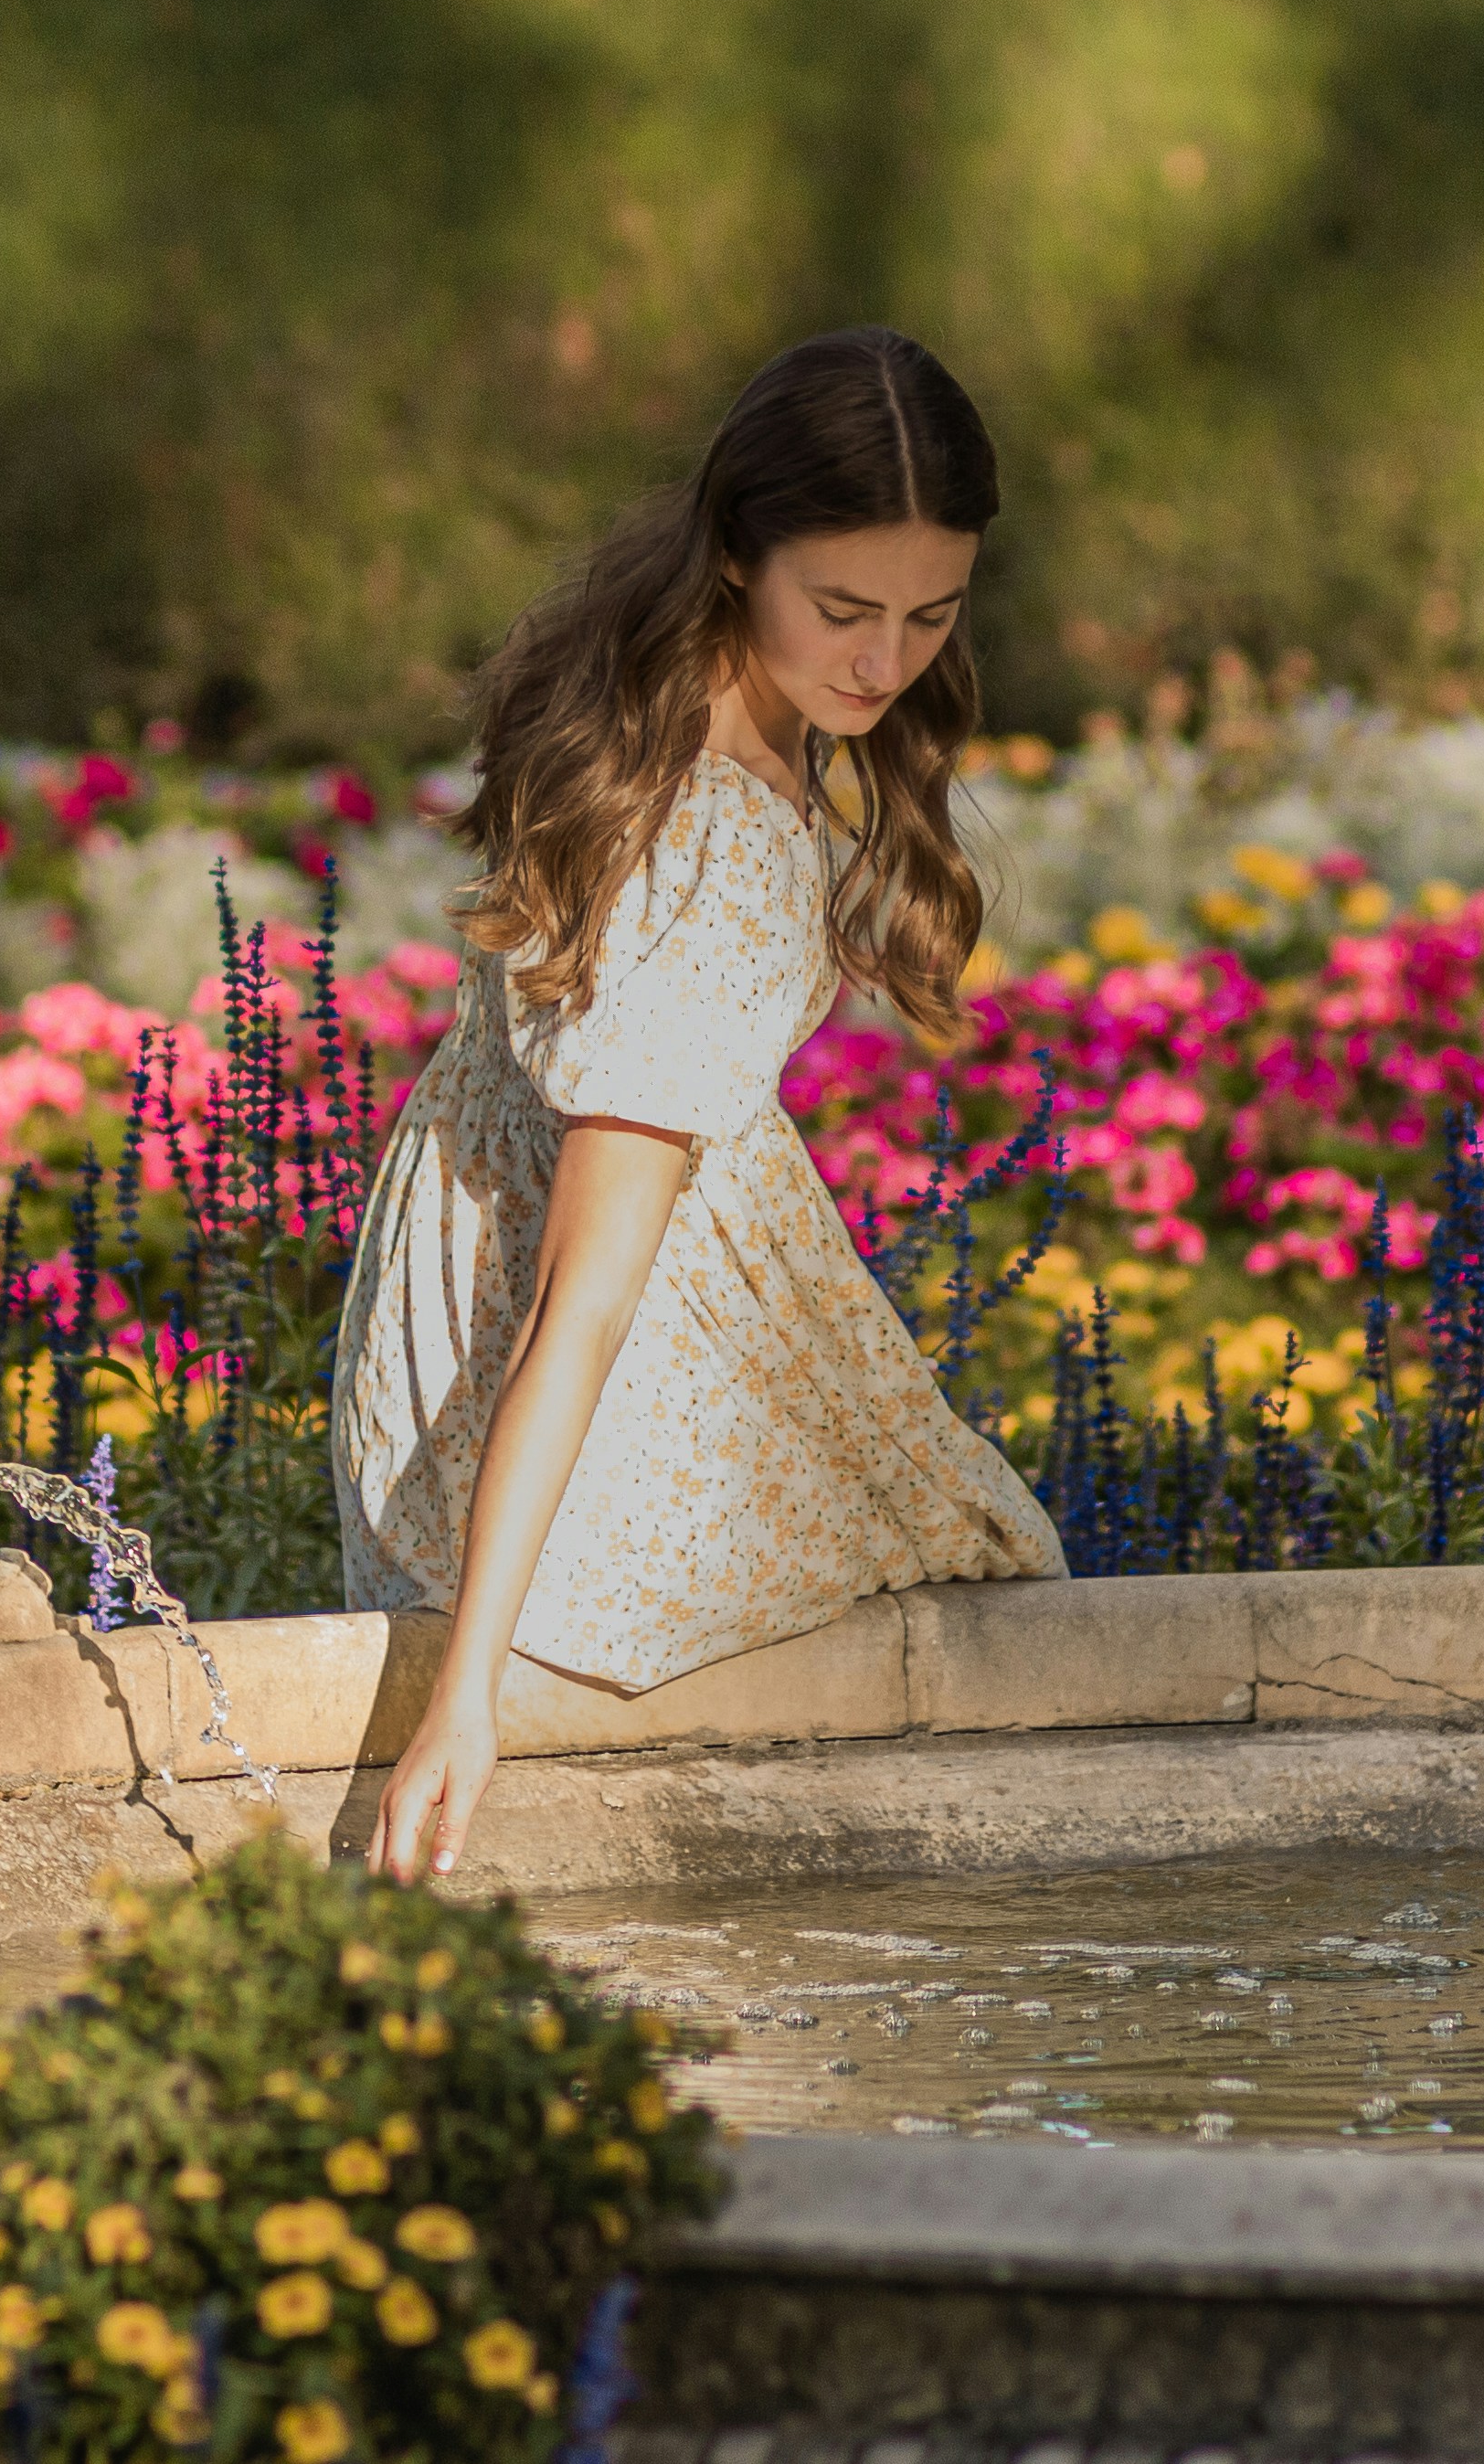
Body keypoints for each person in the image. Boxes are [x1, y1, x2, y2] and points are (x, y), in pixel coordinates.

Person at [333, 326, 1071, 1884]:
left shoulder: (651, 690)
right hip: (609, 1384)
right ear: (741, 553)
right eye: (844, 609)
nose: (884, 663)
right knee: (1007, 1637)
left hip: (457, 1290)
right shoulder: (716, 858)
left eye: (931, 613)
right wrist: (466, 1696)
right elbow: (581, 1306)